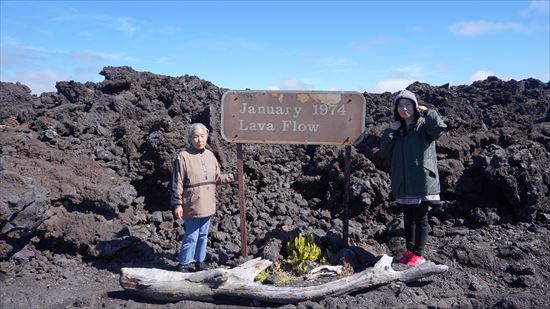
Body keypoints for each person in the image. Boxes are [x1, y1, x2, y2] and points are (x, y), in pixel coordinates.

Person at [380, 89, 447, 266]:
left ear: (415, 106)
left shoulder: (424, 127)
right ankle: (409, 252)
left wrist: (428, 111)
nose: (404, 109)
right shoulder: (398, 130)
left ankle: (418, 253)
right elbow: (384, 150)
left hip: (422, 179)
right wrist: (389, 131)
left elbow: (440, 127)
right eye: (400, 106)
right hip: (404, 181)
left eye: (408, 104)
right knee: (408, 218)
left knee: (421, 217)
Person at [171, 123, 235, 272]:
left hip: (207, 203)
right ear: (190, 139)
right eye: (195, 136)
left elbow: (217, 178)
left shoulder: (210, 155)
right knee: (192, 235)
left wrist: (233, 177)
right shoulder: (183, 156)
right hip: (191, 203)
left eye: (202, 136)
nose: (199, 140)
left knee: (203, 235)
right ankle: (184, 263)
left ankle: (200, 261)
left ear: (206, 137)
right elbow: (177, 182)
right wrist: (177, 204)